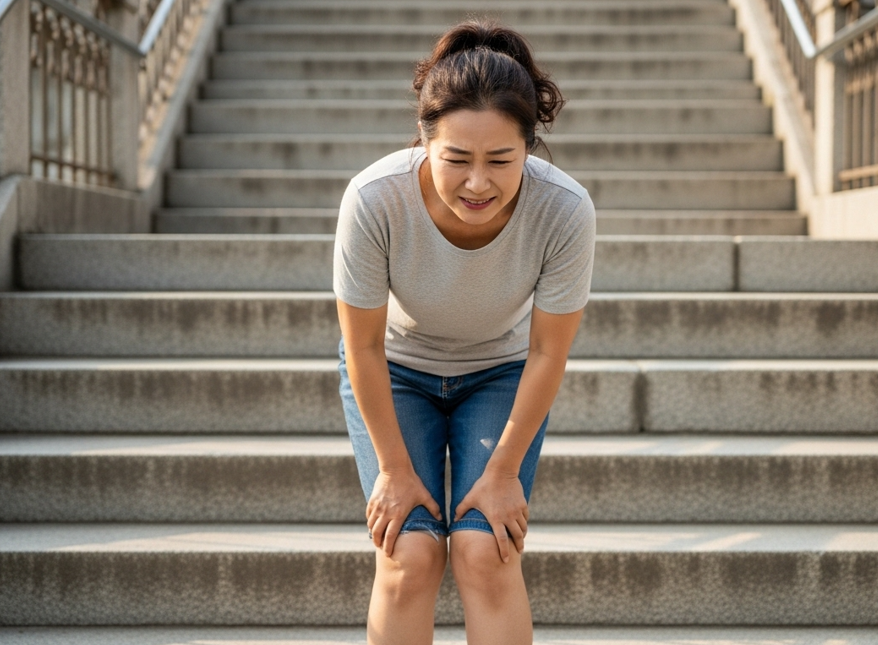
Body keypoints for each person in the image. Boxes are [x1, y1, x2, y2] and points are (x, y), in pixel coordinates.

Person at [333, 18, 596, 645]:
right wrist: (393, 471)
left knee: (486, 550)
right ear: (426, 142)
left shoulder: (564, 210)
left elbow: (547, 351)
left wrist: (503, 474)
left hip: (502, 372)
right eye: (456, 160)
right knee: (409, 554)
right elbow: (362, 345)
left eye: (501, 160)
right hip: (395, 370)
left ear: (529, 147)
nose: (478, 183)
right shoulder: (374, 199)